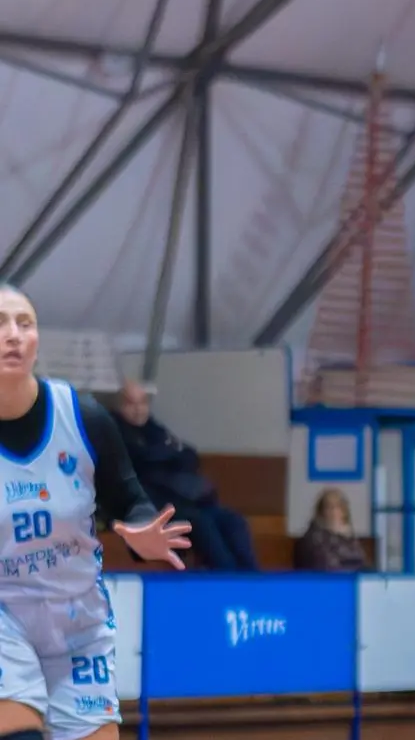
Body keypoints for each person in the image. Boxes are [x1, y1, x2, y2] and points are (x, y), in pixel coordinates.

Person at [0, 287, 190, 740]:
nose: (13, 335)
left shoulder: (84, 417)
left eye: (25, 323)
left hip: (78, 621)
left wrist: (142, 532)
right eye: (0, 324)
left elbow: (129, 499)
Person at [111, 378, 259, 570]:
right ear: (120, 406)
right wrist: (167, 455)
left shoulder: (153, 429)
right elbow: (141, 459)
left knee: (233, 520)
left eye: (143, 403)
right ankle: (227, 581)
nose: (138, 409)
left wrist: (162, 455)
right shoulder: (115, 432)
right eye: (131, 403)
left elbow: (190, 455)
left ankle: (254, 582)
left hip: (184, 501)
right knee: (200, 523)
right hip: (154, 509)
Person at [295, 488, 370, 572]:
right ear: (321, 512)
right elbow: (326, 565)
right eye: (329, 507)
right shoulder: (313, 539)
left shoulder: (348, 537)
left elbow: (361, 561)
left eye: (338, 507)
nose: (334, 512)